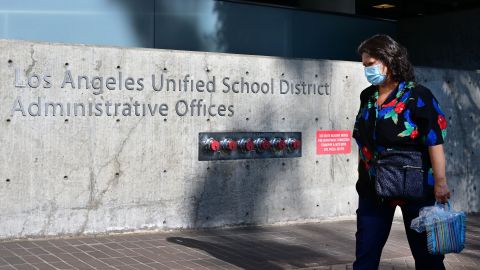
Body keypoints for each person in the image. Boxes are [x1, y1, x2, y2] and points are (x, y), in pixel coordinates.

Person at [352, 34, 451, 270]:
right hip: (374, 186)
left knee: (428, 257)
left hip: (416, 184)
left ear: (388, 61)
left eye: (370, 64)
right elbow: (361, 139)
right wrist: (362, 178)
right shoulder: (367, 96)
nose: (366, 70)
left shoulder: (418, 95)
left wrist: (440, 182)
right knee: (365, 253)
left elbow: (435, 140)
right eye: (364, 65)